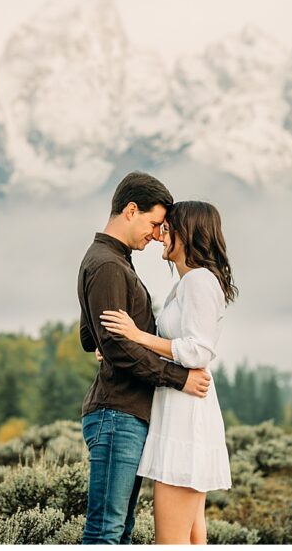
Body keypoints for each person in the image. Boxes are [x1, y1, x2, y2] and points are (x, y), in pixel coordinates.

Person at [77, 171, 213, 545]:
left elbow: (90, 337)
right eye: (154, 223)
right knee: (106, 531)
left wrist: (113, 344)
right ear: (131, 210)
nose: (156, 235)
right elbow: (113, 345)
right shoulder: (108, 264)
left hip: (127, 414)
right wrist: (179, 378)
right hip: (117, 413)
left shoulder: (113, 261)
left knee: (120, 529)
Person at [99, 200, 234, 544]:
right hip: (179, 411)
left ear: (187, 235)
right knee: (190, 537)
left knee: (170, 542)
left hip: (185, 416)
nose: (160, 235)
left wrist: (136, 335)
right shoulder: (188, 283)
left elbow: (198, 350)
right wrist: (119, 350)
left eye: (167, 228)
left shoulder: (199, 282)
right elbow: (174, 343)